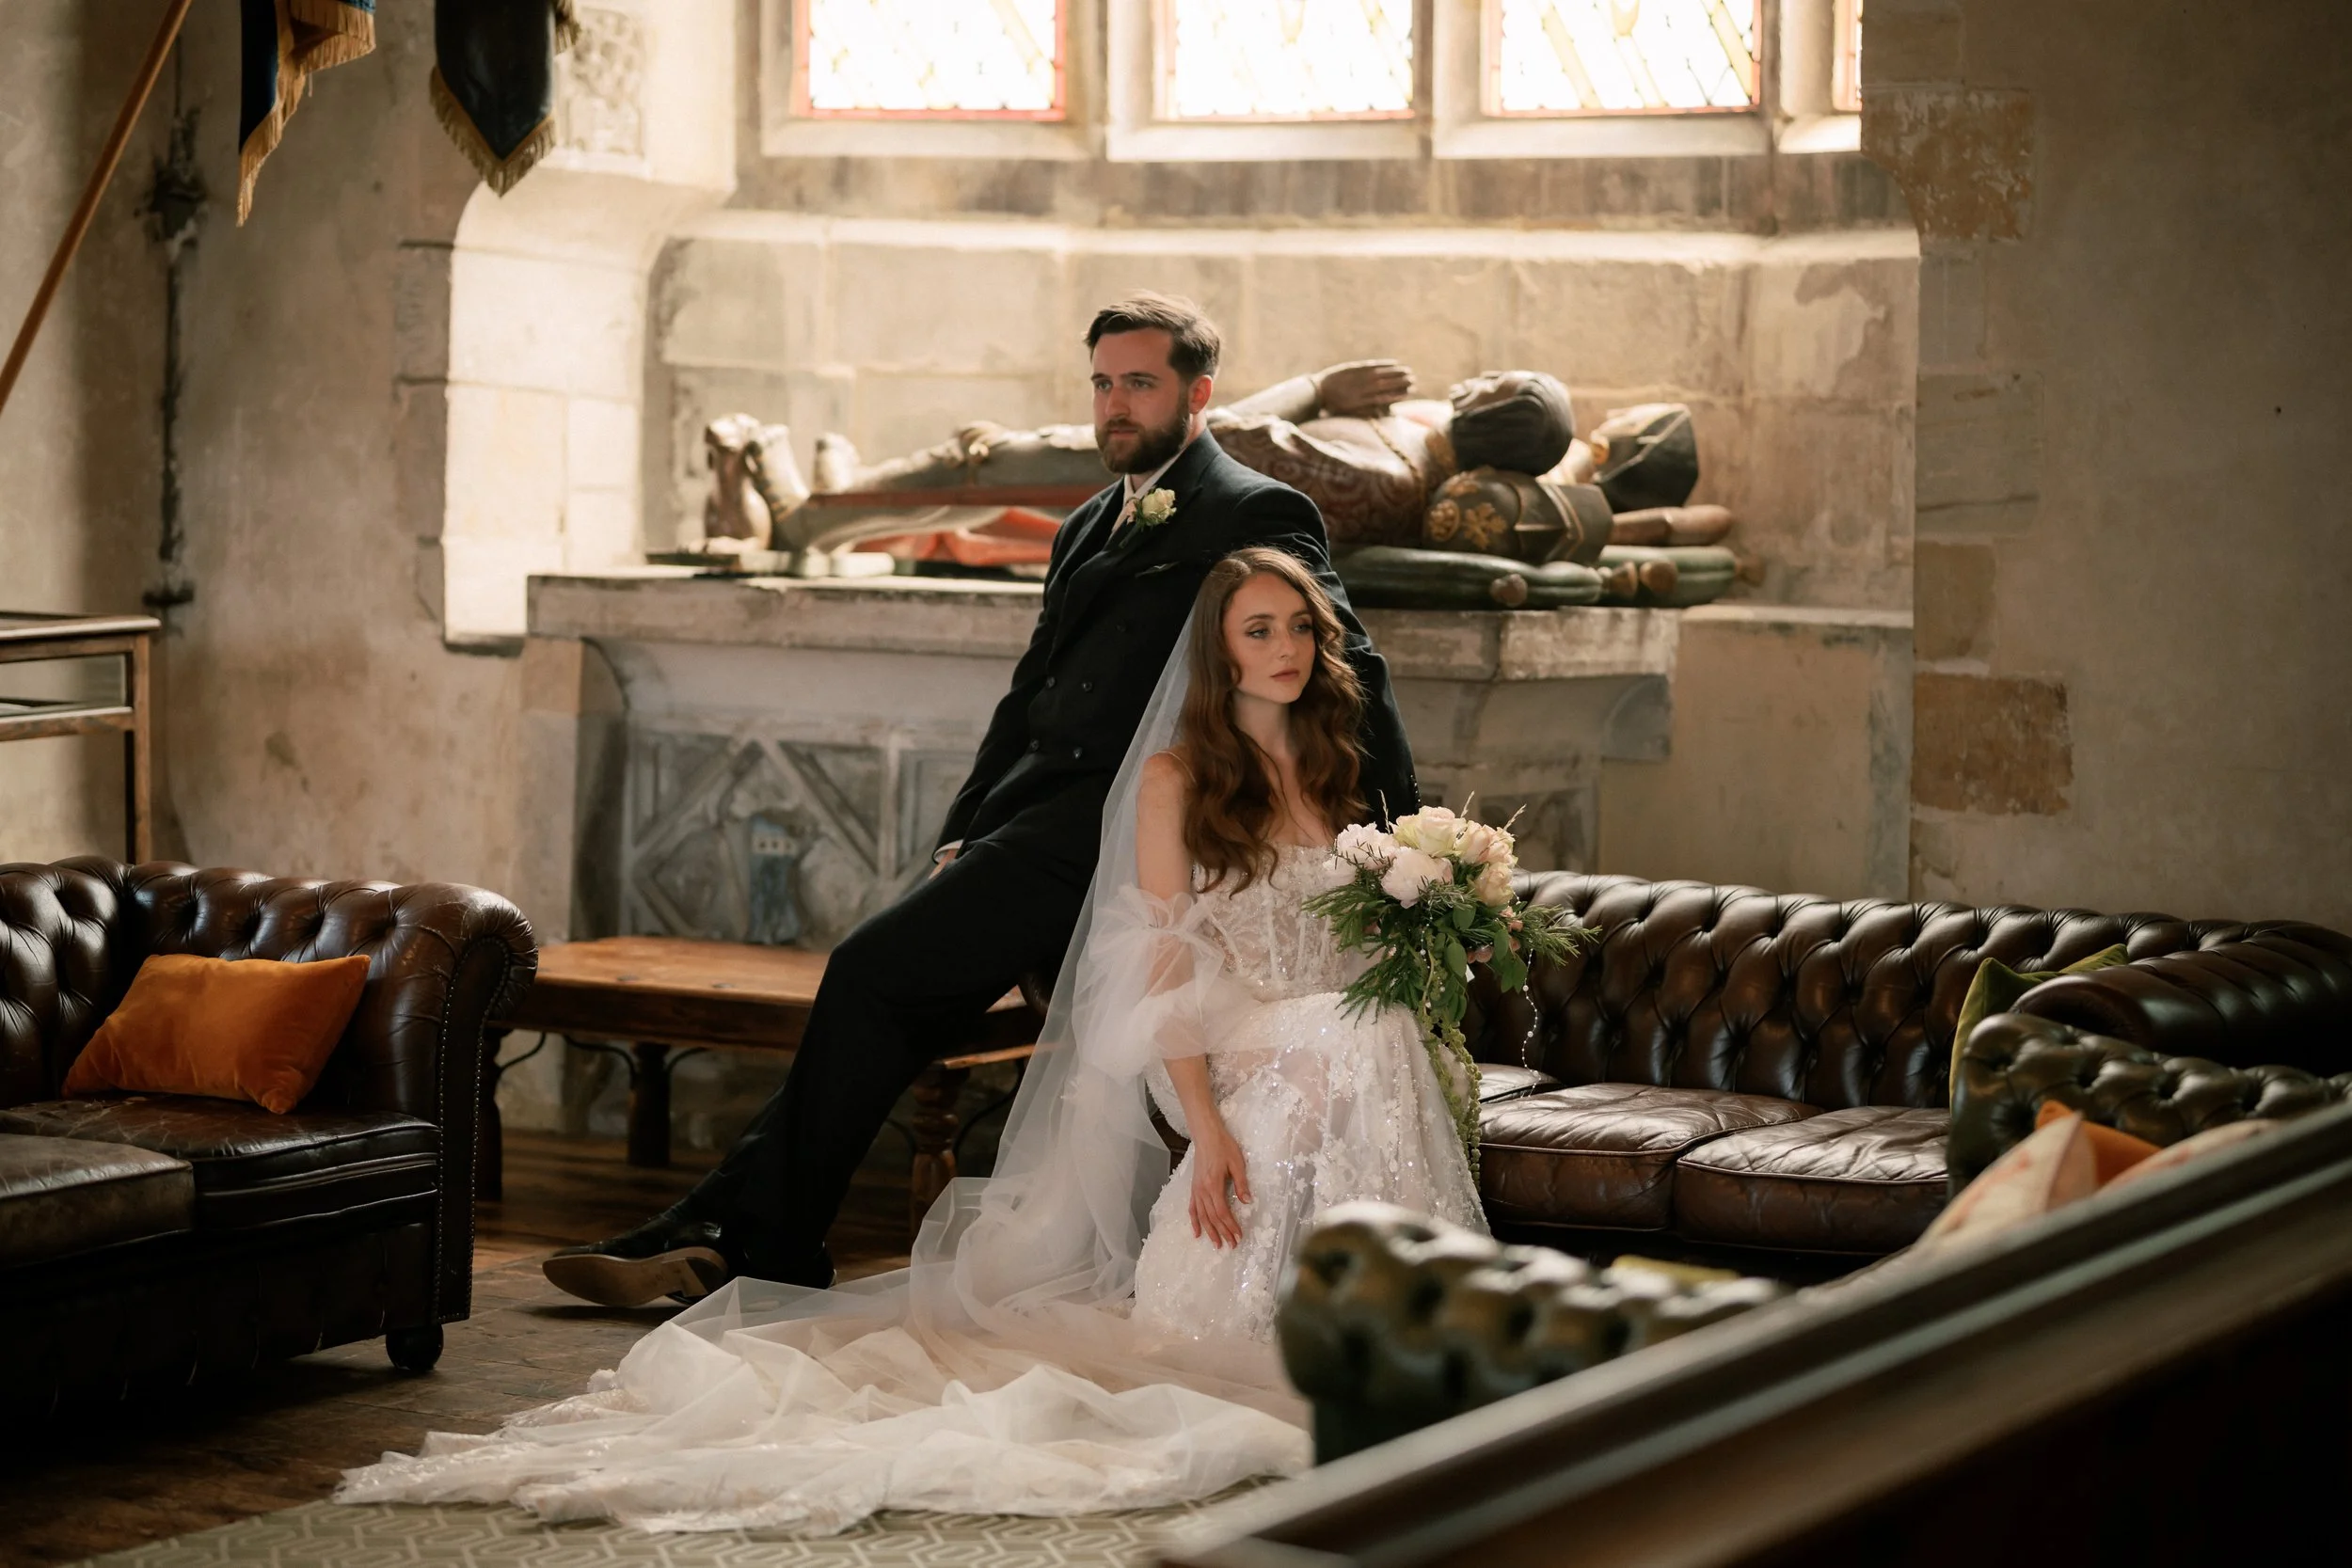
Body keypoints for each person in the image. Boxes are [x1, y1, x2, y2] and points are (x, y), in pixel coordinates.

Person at [334, 549, 1486, 1533]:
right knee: (1360, 1032)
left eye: (1297, 627)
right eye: (1258, 629)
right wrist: (1210, 1124)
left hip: (1330, 1024)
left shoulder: (1340, 766)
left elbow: (1355, 941)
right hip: (1225, 1038)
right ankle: (1339, 1288)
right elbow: (1162, 963)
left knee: (1372, 1023)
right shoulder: (1179, 778)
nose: (1284, 645)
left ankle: (1365, 1295)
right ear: (1220, 651)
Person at [537, 293, 1419, 1309]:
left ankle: (748, 1234)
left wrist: (1392, 847)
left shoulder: (1255, 508)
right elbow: (1030, 690)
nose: (1116, 404)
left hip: (1117, 827)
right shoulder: (1089, 520)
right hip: (1028, 823)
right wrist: (964, 827)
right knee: (891, 995)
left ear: (1197, 393)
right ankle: (739, 1226)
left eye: (1140, 382)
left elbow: (1349, 658)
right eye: (1102, 383)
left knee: (872, 971)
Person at [796, 360, 1577, 551]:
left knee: (984, 465)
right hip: (1159, 474)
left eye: (1495, 383)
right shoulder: (1413, 437)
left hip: (1164, 478)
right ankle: (839, 509)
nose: (1473, 380)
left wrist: (1313, 386)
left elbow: (1225, 435)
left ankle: (807, 523)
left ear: (1496, 412)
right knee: (987, 471)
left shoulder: (1386, 472)